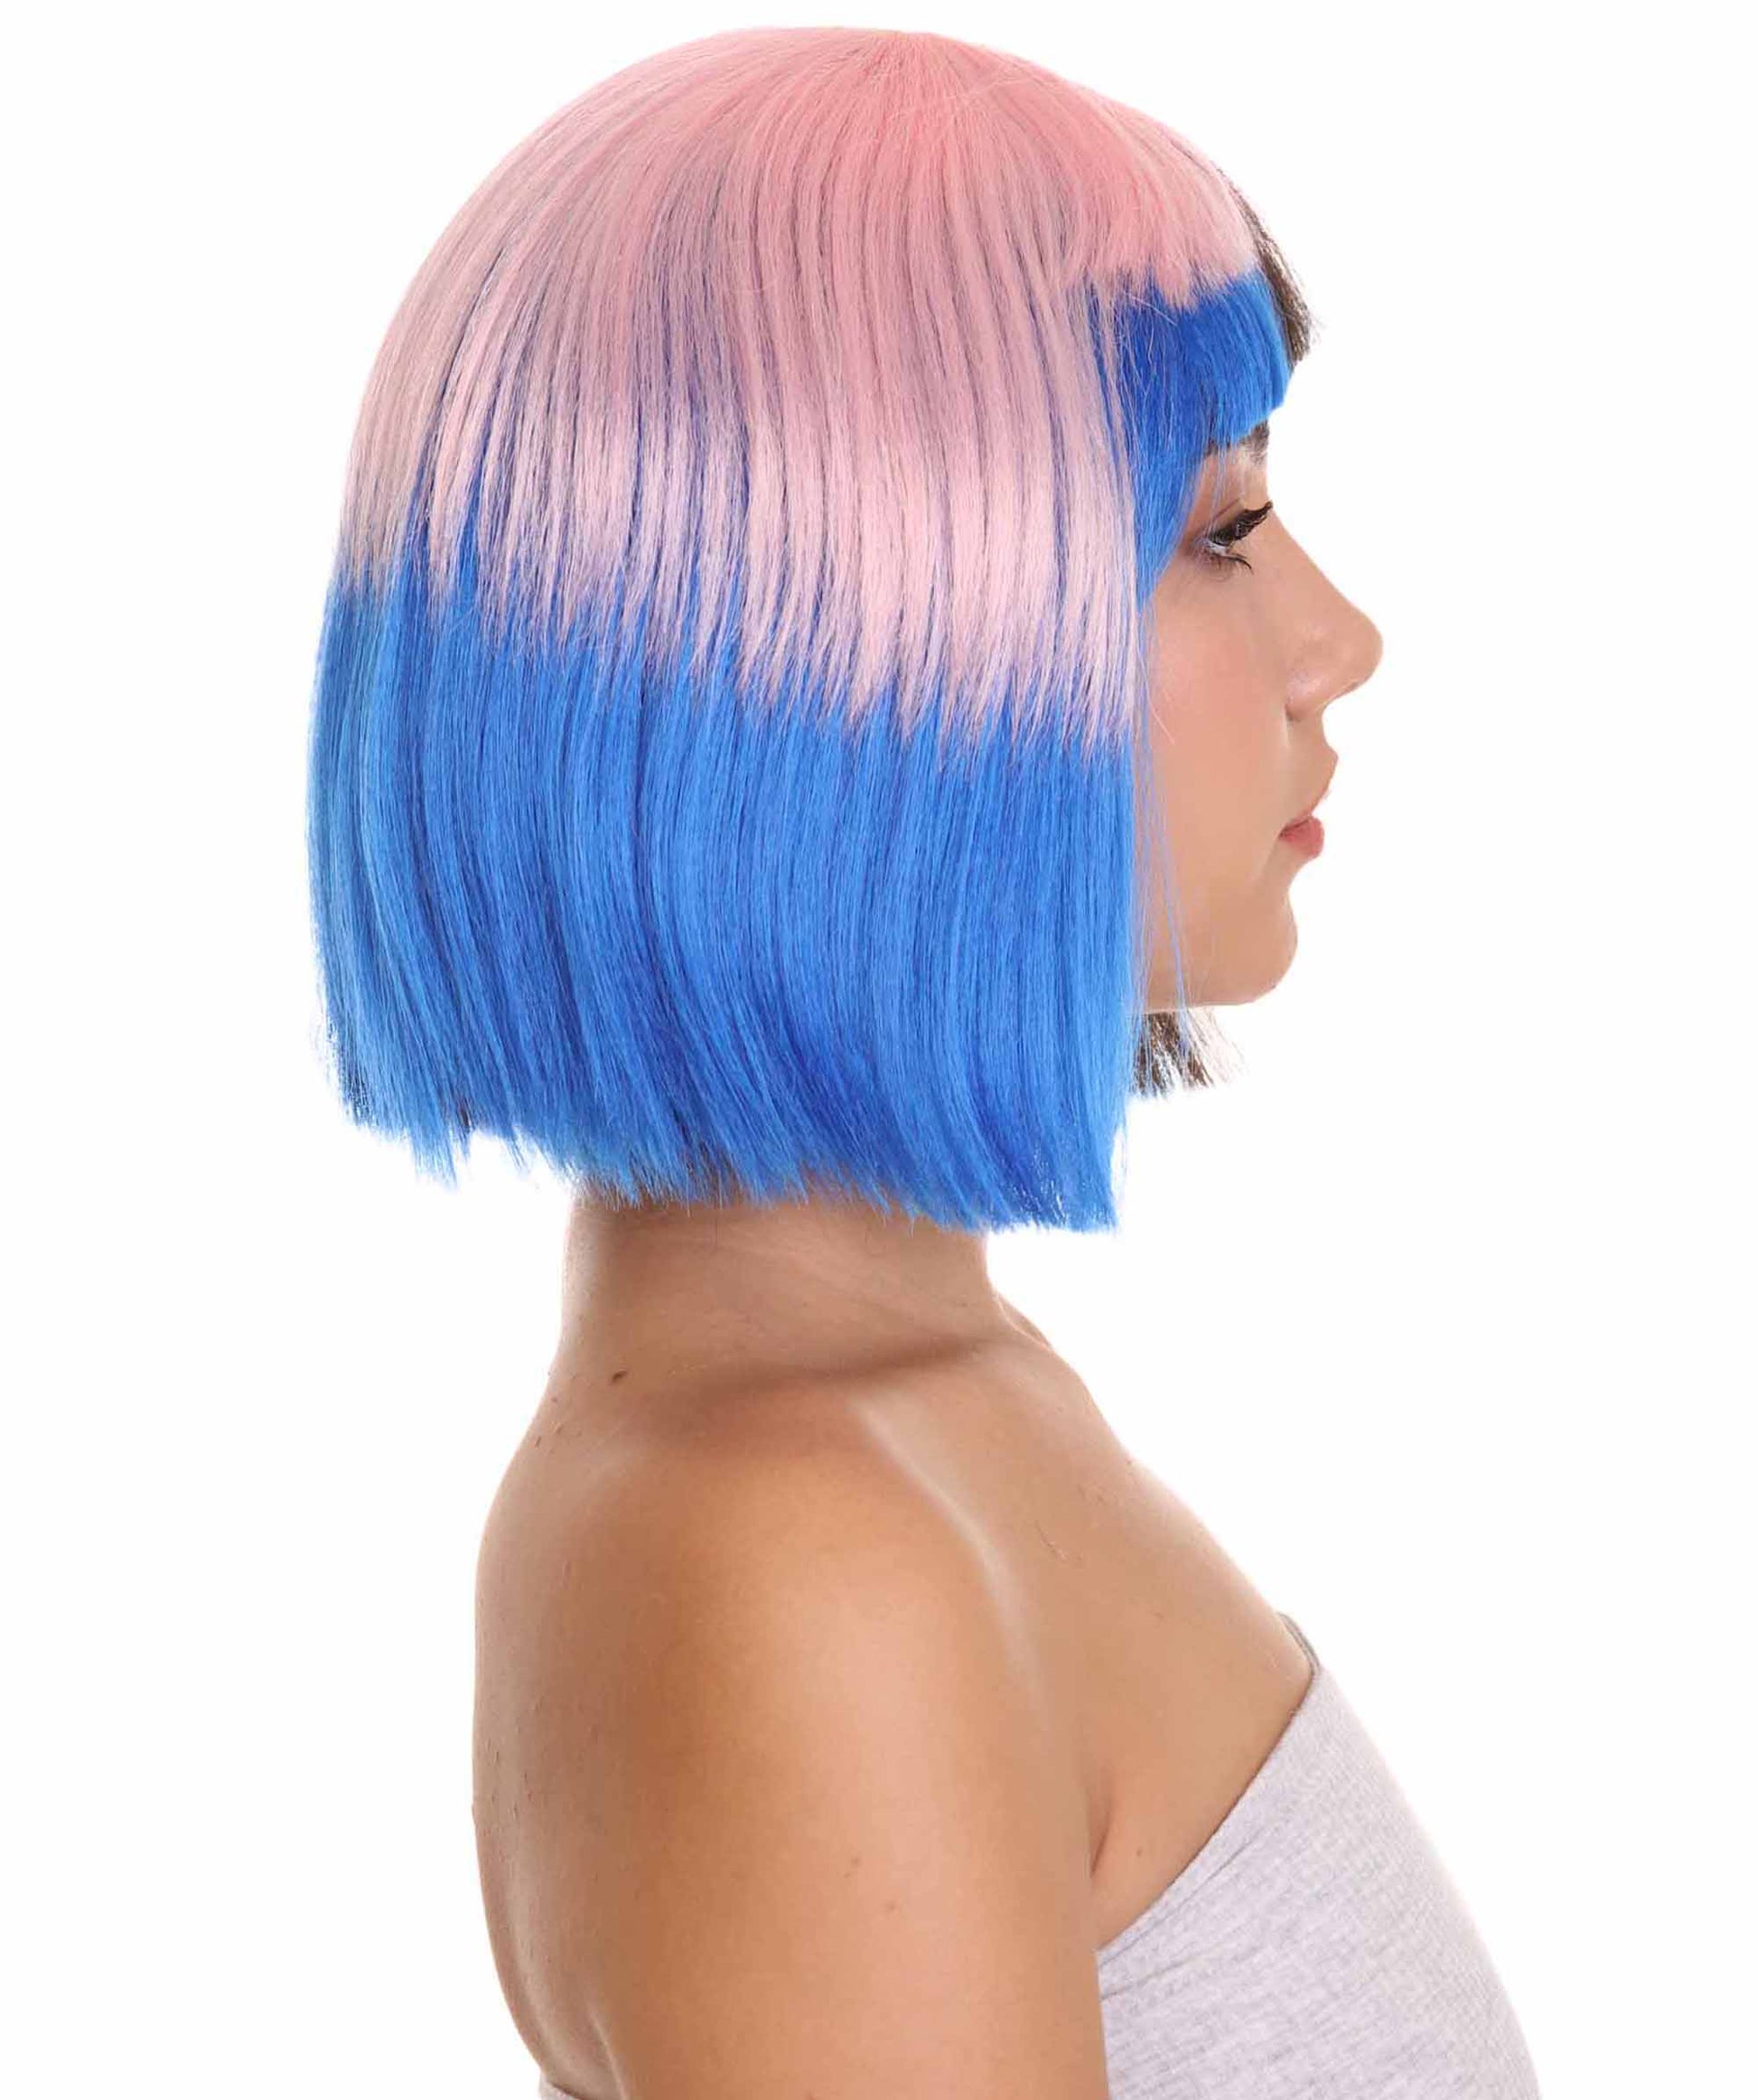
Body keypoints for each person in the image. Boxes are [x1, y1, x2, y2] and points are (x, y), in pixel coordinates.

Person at [306, 26, 1541, 2097]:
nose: (1338, 640)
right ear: (844, 669)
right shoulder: (801, 1553)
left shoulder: (922, 1430)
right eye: (1220, 531)